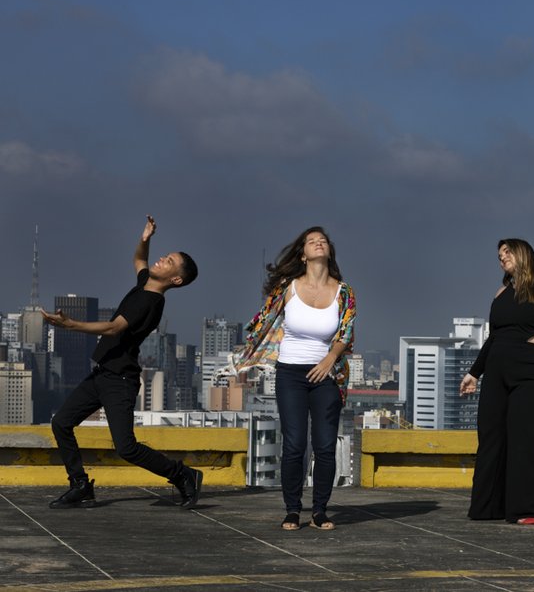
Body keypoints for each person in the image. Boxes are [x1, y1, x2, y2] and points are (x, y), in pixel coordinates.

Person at [45, 216, 201, 509]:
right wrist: (145, 237)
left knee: (126, 448)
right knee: (62, 423)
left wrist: (70, 324)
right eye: (165, 256)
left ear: (175, 280)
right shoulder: (145, 284)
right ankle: (80, 486)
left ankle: (183, 475)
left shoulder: (150, 303)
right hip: (103, 374)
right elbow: (139, 259)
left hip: (120, 379)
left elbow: (114, 328)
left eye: (169, 262)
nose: (161, 260)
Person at [236, 227, 356, 531]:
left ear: (329, 251)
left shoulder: (344, 292)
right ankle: (292, 509)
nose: (318, 242)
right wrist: (250, 353)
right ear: (303, 254)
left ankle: (319, 511)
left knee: (325, 445)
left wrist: (329, 359)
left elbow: (346, 332)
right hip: (290, 373)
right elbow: (263, 322)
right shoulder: (287, 288)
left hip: (326, 374)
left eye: (323, 240)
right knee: (294, 444)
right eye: (311, 241)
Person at [460, 239, 534, 525]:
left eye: (507, 252)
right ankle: (490, 506)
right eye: (499, 255)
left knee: (525, 438)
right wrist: (474, 373)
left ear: (523, 254)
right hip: (498, 370)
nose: (502, 258)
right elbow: (493, 338)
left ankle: (532, 509)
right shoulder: (501, 293)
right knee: (491, 438)